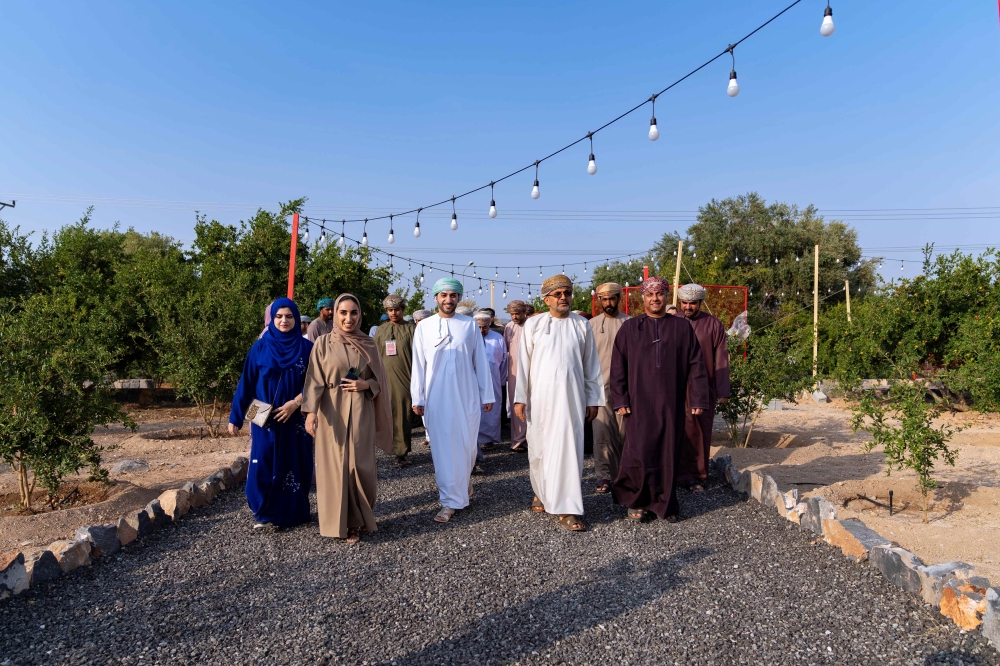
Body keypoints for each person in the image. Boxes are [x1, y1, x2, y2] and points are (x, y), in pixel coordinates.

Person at [609, 277, 710, 522]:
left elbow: (696, 365)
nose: (655, 299)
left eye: (660, 294)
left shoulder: (681, 327)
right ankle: (638, 500)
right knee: (640, 451)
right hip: (638, 403)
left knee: (668, 451)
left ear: (667, 296)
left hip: (671, 402)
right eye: (650, 295)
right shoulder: (630, 328)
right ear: (642, 298)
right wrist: (620, 399)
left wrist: (697, 398)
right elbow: (618, 367)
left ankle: (665, 504)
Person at [514, 276, 603, 532]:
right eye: (558, 294)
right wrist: (520, 397)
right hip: (539, 399)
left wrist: (593, 398)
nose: (563, 297)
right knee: (539, 449)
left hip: (571, 399)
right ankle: (541, 491)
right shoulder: (534, 324)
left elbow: (591, 365)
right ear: (546, 299)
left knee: (568, 451)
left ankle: (568, 508)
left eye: (567, 293)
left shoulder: (581, 325)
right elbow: (523, 364)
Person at [302, 294, 393, 543]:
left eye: (353, 313)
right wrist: (310, 412)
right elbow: (313, 380)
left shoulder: (369, 343)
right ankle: (337, 523)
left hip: (361, 410)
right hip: (331, 410)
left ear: (359, 315)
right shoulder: (322, 343)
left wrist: (366, 384)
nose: (348, 318)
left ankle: (357, 521)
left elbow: (381, 382)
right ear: (335, 313)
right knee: (334, 468)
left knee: (359, 467)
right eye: (343, 312)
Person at [411, 278, 495, 523]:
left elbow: (480, 360)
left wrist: (486, 393)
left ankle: (463, 486)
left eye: (453, 295)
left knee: (467, 447)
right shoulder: (424, 327)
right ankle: (449, 502)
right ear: (436, 298)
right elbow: (418, 365)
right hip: (437, 397)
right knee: (443, 450)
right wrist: (418, 396)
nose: (448, 300)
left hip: (466, 396)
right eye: (444, 295)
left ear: (458, 298)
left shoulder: (469, 325)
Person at [229, 298, 313, 530]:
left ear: (296, 319)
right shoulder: (260, 346)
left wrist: (296, 403)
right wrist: (235, 417)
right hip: (261, 411)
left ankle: (295, 512)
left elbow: (317, 383)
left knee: (295, 461)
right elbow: (246, 382)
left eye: (289, 316)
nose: (284, 321)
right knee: (262, 460)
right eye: (279, 316)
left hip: (295, 414)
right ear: (272, 319)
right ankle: (264, 512)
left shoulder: (307, 348)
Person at [676, 283, 731, 492]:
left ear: (700, 303)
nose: (688, 307)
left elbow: (721, 359)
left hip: (703, 388)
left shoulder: (713, 325)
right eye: (685, 303)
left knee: (699, 432)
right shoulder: (672, 322)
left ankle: (698, 476)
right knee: (676, 431)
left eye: (692, 303)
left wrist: (722, 390)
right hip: (675, 388)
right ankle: (675, 474)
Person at [589, 282, 630, 494]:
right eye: (604, 299)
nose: (608, 303)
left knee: (626, 433)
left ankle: (624, 473)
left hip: (627, 390)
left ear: (619, 299)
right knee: (601, 432)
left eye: (612, 299)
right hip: (599, 389)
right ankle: (603, 475)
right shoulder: (592, 325)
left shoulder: (631, 324)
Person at [374, 294, 417, 468]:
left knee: (402, 416)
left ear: (403, 310)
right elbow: (374, 355)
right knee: (387, 416)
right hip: (384, 380)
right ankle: (389, 448)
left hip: (405, 380)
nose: (394, 313)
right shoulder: (380, 331)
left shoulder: (412, 329)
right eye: (390, 310)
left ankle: (401, 452)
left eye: (397, 310)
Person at [474, 310, 507, 455]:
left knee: (491, 411)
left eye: (485, 327)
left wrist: (501, 379)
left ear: (489, 325)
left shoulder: (497, 338)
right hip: (473, 380)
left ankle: (489, 439)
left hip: (493, 379)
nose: (482, 330)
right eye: (479, 327)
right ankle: (473, 440)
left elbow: (504, 360)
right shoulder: (469, 337)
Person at [503, 300, 529, 452]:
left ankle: (532, 440)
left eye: (517, 313)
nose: (514, 317)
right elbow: (505, 350)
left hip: (532, 371)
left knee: (532, 405)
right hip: (513, 372)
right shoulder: (509, 327)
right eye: (512, 314)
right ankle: (518, 441)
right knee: (516, 405)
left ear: (524, 312)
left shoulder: (532, 325)